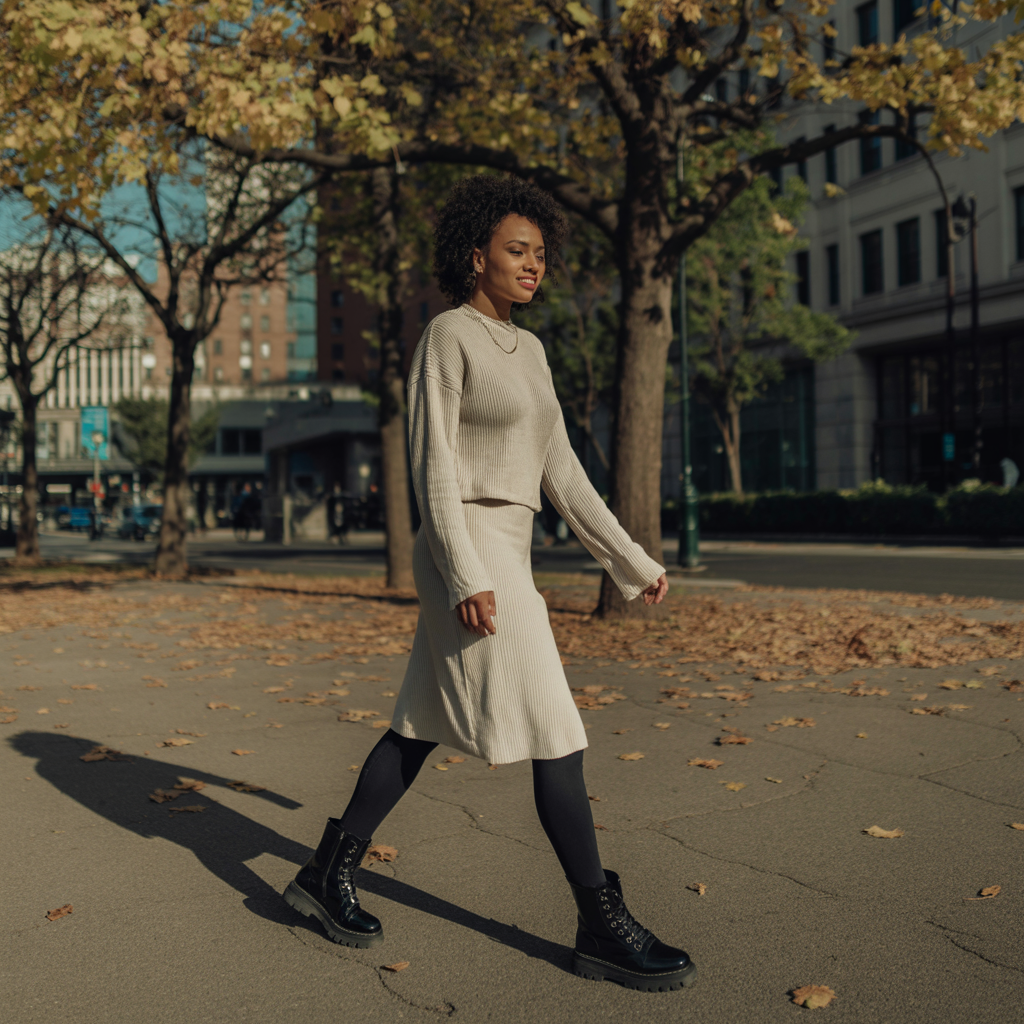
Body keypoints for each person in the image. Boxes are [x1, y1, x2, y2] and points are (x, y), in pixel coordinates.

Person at [283, 176, 696, 993]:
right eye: (517, 250)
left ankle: (324, 874)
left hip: (512, 548)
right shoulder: (448, 336)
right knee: (558, 731)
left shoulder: (533, 351)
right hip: (470, 550)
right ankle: (598, 921)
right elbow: (432, 465)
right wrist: (465, 571)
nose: (533, 265)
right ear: (477, 256)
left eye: (541, 254)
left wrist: (631, 559)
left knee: (418, 725)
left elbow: (563, 475)